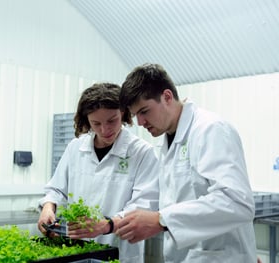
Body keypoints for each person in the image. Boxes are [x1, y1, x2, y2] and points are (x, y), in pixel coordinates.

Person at [116, 63, 257, 262]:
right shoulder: (167, 142)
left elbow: (237, 201)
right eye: (135, 115)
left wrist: (161, 220)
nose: (140, 122)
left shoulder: (210, 130)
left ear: (166, 97)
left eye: (144, 111)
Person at [37, 82, 159, 263]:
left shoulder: (142, 152)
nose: (105, 129)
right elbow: (57, 189)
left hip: (119, 250)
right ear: (87, 120)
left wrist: (107, 225)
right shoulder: (76, 147)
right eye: (96, 123)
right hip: (77, 249)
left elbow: (143, 206)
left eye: (112, 120)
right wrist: (49, 207)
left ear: (123, 113)